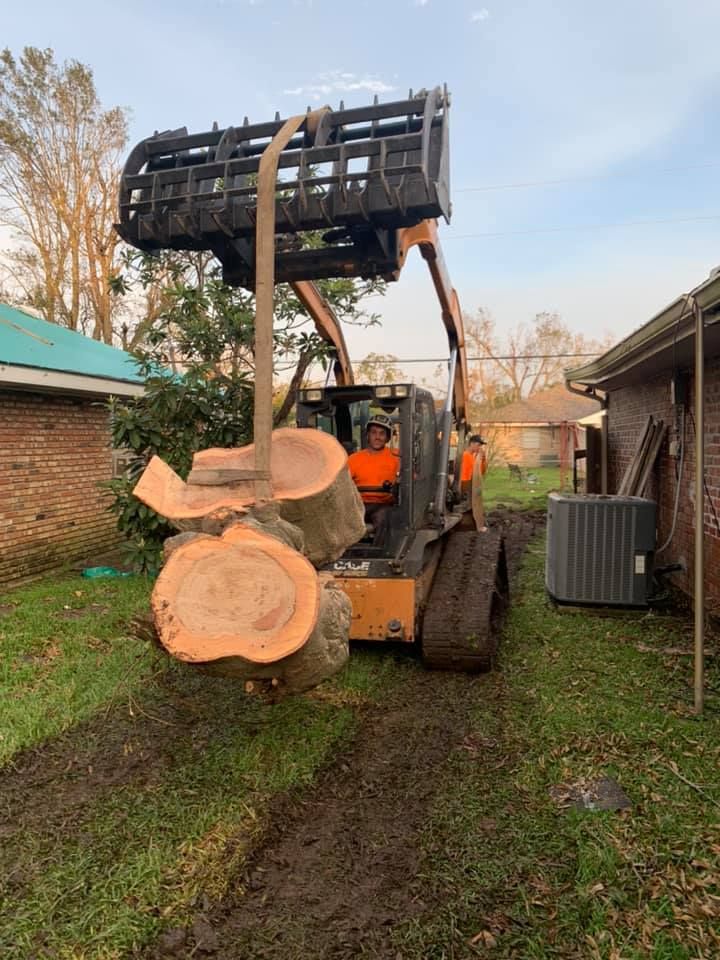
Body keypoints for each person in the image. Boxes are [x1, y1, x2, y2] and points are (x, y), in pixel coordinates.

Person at [348, 414, 399, 546]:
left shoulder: (396, 457)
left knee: (384, 518)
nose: (377, 437)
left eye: (382, 433)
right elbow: (344, 482)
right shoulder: (354, 459)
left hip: (384, 504)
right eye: (374, 432)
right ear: (368, 435)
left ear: (387, 437)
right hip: (358, 504)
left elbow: (410, 477)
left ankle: (379, 551)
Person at [460, 434, 488, 531]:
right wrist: (466, 491)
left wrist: (483, 459)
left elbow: (481, 471)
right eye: (478, 445)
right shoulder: (465, 456)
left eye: (480, 445)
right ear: (471, 443)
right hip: (468, 487)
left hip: (473, 487)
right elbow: (464, 477)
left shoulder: (474, 457)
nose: (479, 447)